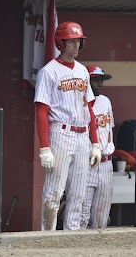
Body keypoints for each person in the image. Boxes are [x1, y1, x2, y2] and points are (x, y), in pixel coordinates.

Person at [34, 21, 101, 231]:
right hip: (60, 133)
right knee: (54, 192)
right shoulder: (49, 71)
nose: (76, 46)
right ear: (61, 43)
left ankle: (71, 238)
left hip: (82, 136)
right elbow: (41, 111)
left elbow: (89, 108)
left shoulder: (82, 71)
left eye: (78, 41)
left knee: (78, 193)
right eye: (72, 41)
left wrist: (95, 143)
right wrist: (44, 147)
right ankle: (47, 237)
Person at [81, 65, 115, 229]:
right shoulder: (80, 103)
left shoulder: (106, 101)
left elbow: (109, 130)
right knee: (82, 213)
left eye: (101, 80)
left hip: (107, 163)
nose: (100, 84)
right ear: (87, 81)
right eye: (95, 80)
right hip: (88, 163)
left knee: (102, 215)